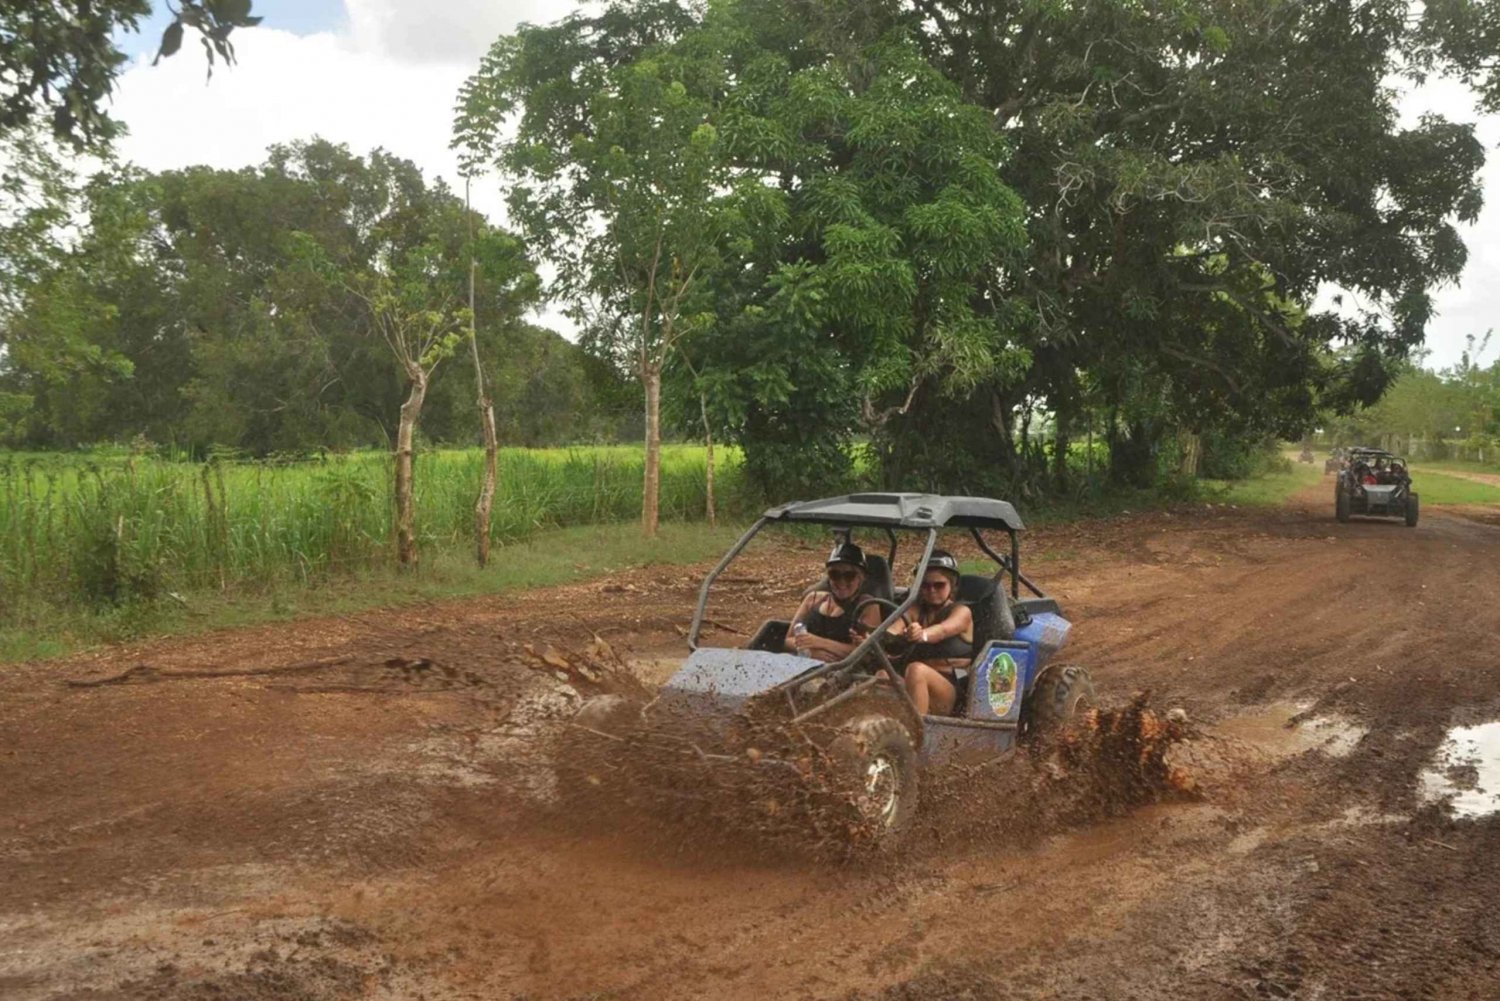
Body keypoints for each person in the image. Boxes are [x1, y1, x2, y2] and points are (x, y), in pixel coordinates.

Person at [896, 550, 974, 715]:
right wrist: (874, 637)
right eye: (925, 585)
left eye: (939, 585)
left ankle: (917, 734)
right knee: (882, 675)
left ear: (952, 585)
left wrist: (921, 634)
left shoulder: (961, 612)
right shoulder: (915, 609)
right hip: (912, 683)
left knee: (917, 670)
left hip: (950, 691)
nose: (931, 590)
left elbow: (943, 630)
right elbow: (892, 628)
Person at [785, 542, 882, 662]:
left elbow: (867, 653)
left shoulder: (868, 606)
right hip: (805, 663)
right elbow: (789, 639)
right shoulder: (813, 598)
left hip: (845, 672)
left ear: (860, 578)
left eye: (849, 575)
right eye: (835, 574)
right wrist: (810, 653)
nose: (841, 581)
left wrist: (820, 642)